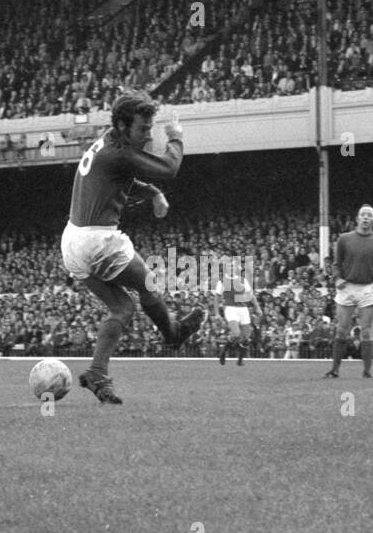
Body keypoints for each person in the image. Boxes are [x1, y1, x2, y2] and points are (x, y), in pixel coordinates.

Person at [59, 91, 205, 403]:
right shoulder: (121, 154)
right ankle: (173, 334)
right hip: (98, 240)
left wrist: (151, 192)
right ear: (124, 126)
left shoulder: (108, 143)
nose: (148, 135)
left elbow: (120, 180)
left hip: (72, 241)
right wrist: (175, 136)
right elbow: (169, 168)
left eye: (151, 129)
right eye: (143, 129)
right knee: (150, 282)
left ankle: (97, 373)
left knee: (122, 307)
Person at [324, 205, 373, 378]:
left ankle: (367, 372)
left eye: (369, 215)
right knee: (342, 330)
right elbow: (336, 262)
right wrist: (336, 278)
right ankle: (335, 370)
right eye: (363, 214)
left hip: (368, 288)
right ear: (357, 218)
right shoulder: (344, 239)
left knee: (367, 330)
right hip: (346, 287)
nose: (366, 217)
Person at [214, 258, 263, 366]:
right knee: (236, 333)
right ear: (226, 269)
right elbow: (217, 298)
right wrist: (217, 313)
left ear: (236, 268)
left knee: (245, 338)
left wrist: (257, 308)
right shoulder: (222, 281)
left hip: (243, 309)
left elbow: (251, 295)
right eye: (229, 266)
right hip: (230, 309)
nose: (231, 268)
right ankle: (224, 351)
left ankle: (240, 360)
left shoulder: (242, 280)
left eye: (233, 266)